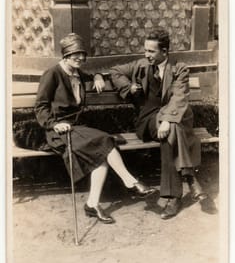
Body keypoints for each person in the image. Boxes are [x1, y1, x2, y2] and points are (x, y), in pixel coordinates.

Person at [35, 33, 155, 224]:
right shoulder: (52, 74)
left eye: (82, 55)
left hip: (77, 128)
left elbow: (91, 75)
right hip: (59, 131)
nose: (81, 59)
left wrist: (98, 76)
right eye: (76, 55)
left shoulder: (76, 72)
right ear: (65, 55)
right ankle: (130, 182)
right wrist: (54, 124)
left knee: (101, 153)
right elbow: (40, 107)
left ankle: (92, 204)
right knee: (105, 141)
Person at [110, 28, 208, 220]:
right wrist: (128, 86)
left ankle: (173, 196)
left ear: (165, 51)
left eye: (151, 51)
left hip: (171, 119)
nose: (147, 55)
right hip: (147, 120)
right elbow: (115, 71)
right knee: (174, 128)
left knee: (171, 130)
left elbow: (179, 98)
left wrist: (166, 120)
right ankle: (189, 178)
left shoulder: (179, 69)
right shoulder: (140, 65)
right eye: (146, 50)